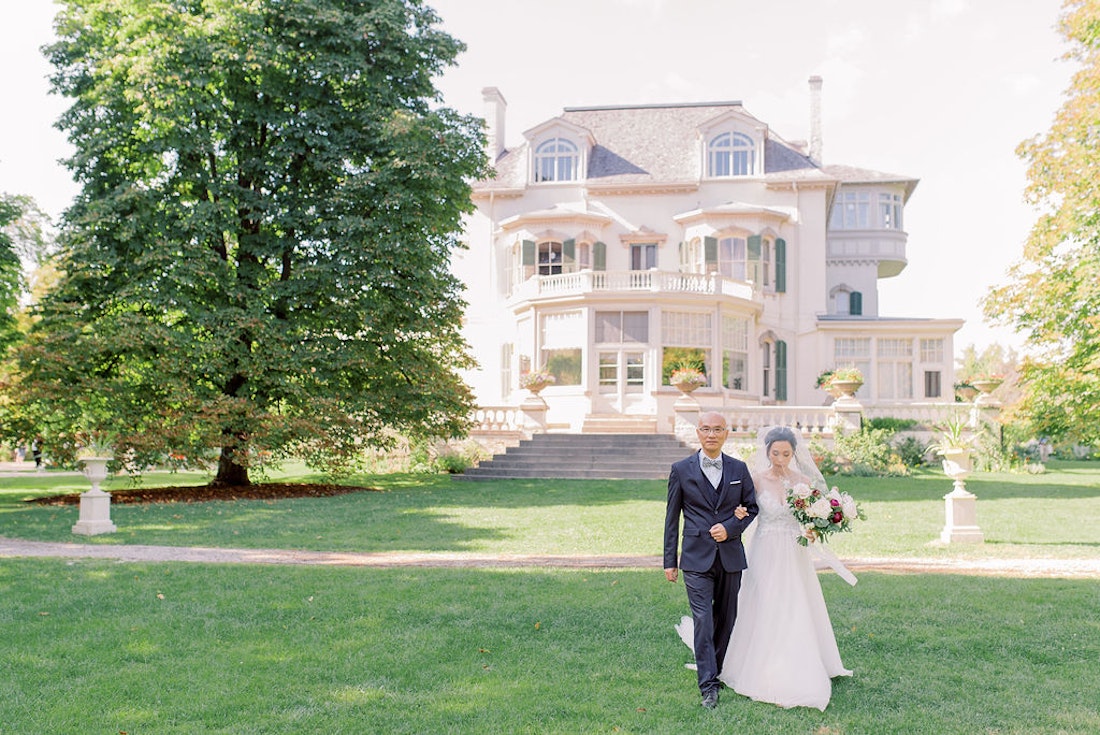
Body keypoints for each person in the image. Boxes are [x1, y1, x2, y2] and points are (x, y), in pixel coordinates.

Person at [717, 425, 853, 711]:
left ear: (794, 453)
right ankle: (760, 662)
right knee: (764, 600)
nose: (780, 458)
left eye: (786, 453)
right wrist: (738, 513)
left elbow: (812, 516)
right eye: (775, 452)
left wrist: (815, 528)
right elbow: (742, 509)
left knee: (795, 601)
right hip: (765, 548)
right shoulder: (755, 480)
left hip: (793, 551)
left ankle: (801, 659)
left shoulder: (803, 480)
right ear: (767, 451)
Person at [664, 411, 758, 709]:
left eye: (717, 429)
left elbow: (752, 508)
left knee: (726, 619)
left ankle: (716, 669)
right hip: (695, 558)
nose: (711, 434)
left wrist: (730, 527)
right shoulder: (681, 469)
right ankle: (708, 685)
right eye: (706, 429)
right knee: (703, 619)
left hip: (730, 557)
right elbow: (671, 518)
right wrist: (670, 560)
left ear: (726, 433)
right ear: (698, 432)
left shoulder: (739, 469)